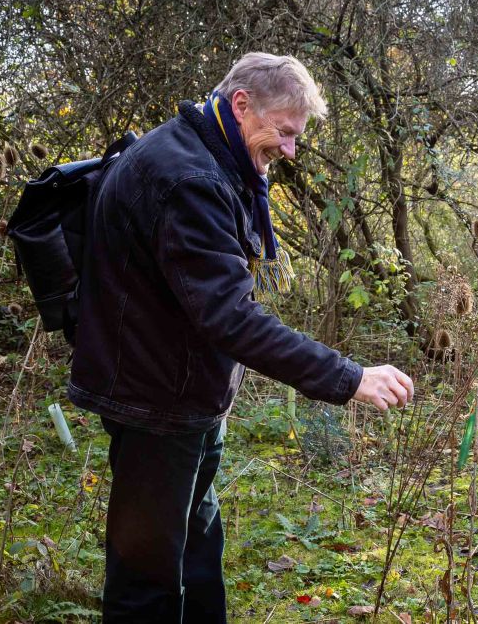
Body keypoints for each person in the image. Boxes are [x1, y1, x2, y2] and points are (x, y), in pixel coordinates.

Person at [67, 52, 413, 623]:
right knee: (146, 579)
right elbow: (231, 318)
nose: (291, 150)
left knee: (198, 555)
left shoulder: (206, 153)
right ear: (241, 104)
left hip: (185, 396)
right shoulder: (190, 180)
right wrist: (349, 378)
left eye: (297, 136)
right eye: (285, 132)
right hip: (156, 404)